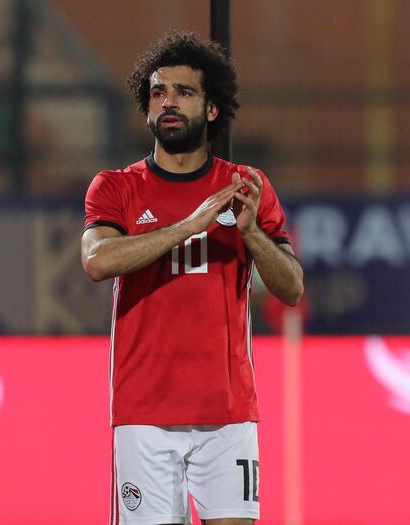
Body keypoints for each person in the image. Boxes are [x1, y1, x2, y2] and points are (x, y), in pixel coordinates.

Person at [81, 32, 303, 525]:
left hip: (227, 413)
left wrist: (252, 235)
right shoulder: (115, 186)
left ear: (211, 110)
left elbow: (291, 287)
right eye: (158, 93)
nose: (168, 102)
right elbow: (96, 261)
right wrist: (188, 226)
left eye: (184, 92)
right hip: (143, 415)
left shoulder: (247, 186)